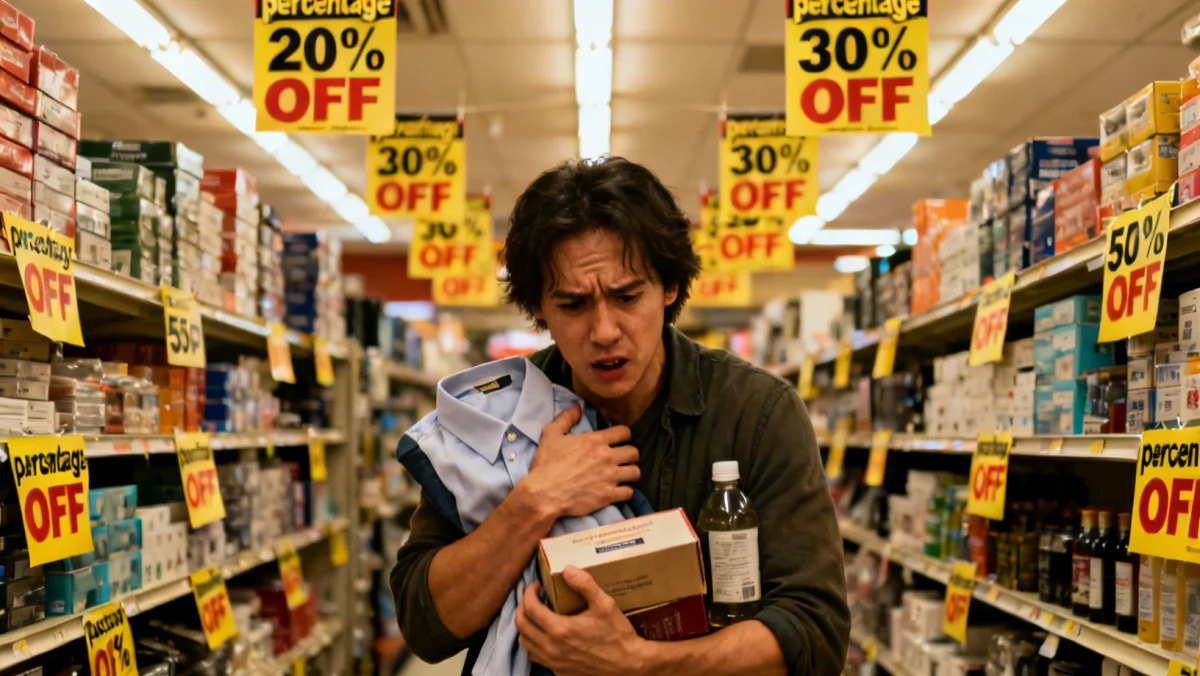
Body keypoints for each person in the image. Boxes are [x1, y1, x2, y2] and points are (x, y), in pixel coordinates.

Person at [391, 156, 849, 675]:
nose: (604, 330)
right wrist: (534, 502)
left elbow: (815, 633)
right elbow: (424, 624)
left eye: (627, 296)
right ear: (538, 308)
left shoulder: (757, 412)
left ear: (670, 288)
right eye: (572, 304)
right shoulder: (494, 419)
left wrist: (638, 663)